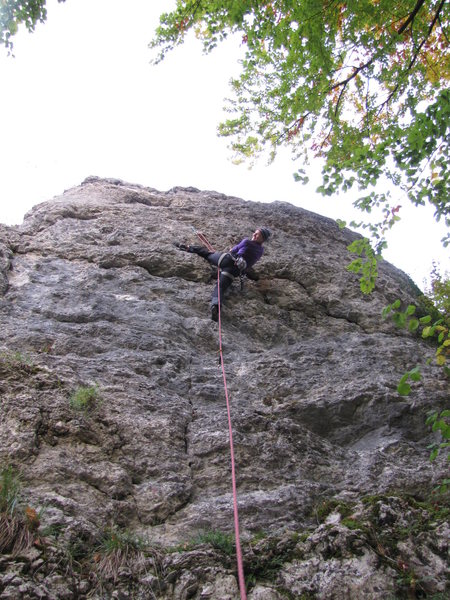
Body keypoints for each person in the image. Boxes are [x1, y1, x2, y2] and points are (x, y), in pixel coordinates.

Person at [175, 227, 271, 321]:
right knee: (220, 287)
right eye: (255, 232)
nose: (254, 234)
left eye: (257, 234)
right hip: (235, 271)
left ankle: (186, 247)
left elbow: (232, 251)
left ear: (262, 238)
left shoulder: (246, 241)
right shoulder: (260, 251)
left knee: (207, 254)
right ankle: (216, 306)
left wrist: (228, 251)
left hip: (225, 260)